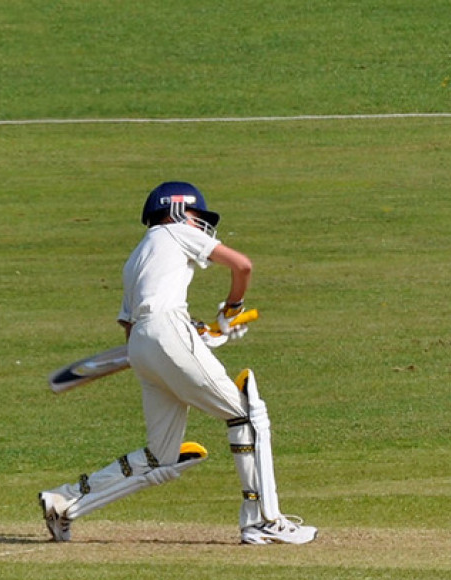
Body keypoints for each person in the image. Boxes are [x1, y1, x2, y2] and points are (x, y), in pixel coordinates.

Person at [38, 181, 318, 545]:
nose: (200, 223)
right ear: (174, 210)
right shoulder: (173, 232)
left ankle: (66, 499)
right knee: (246, 415)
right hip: (166, 331)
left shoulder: (136, 257)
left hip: (142, 345)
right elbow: (242, 266)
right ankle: (264, 520)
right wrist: (230, 310)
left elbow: (135, 327)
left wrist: (196, 334)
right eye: (196, 215)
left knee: (160, 457)